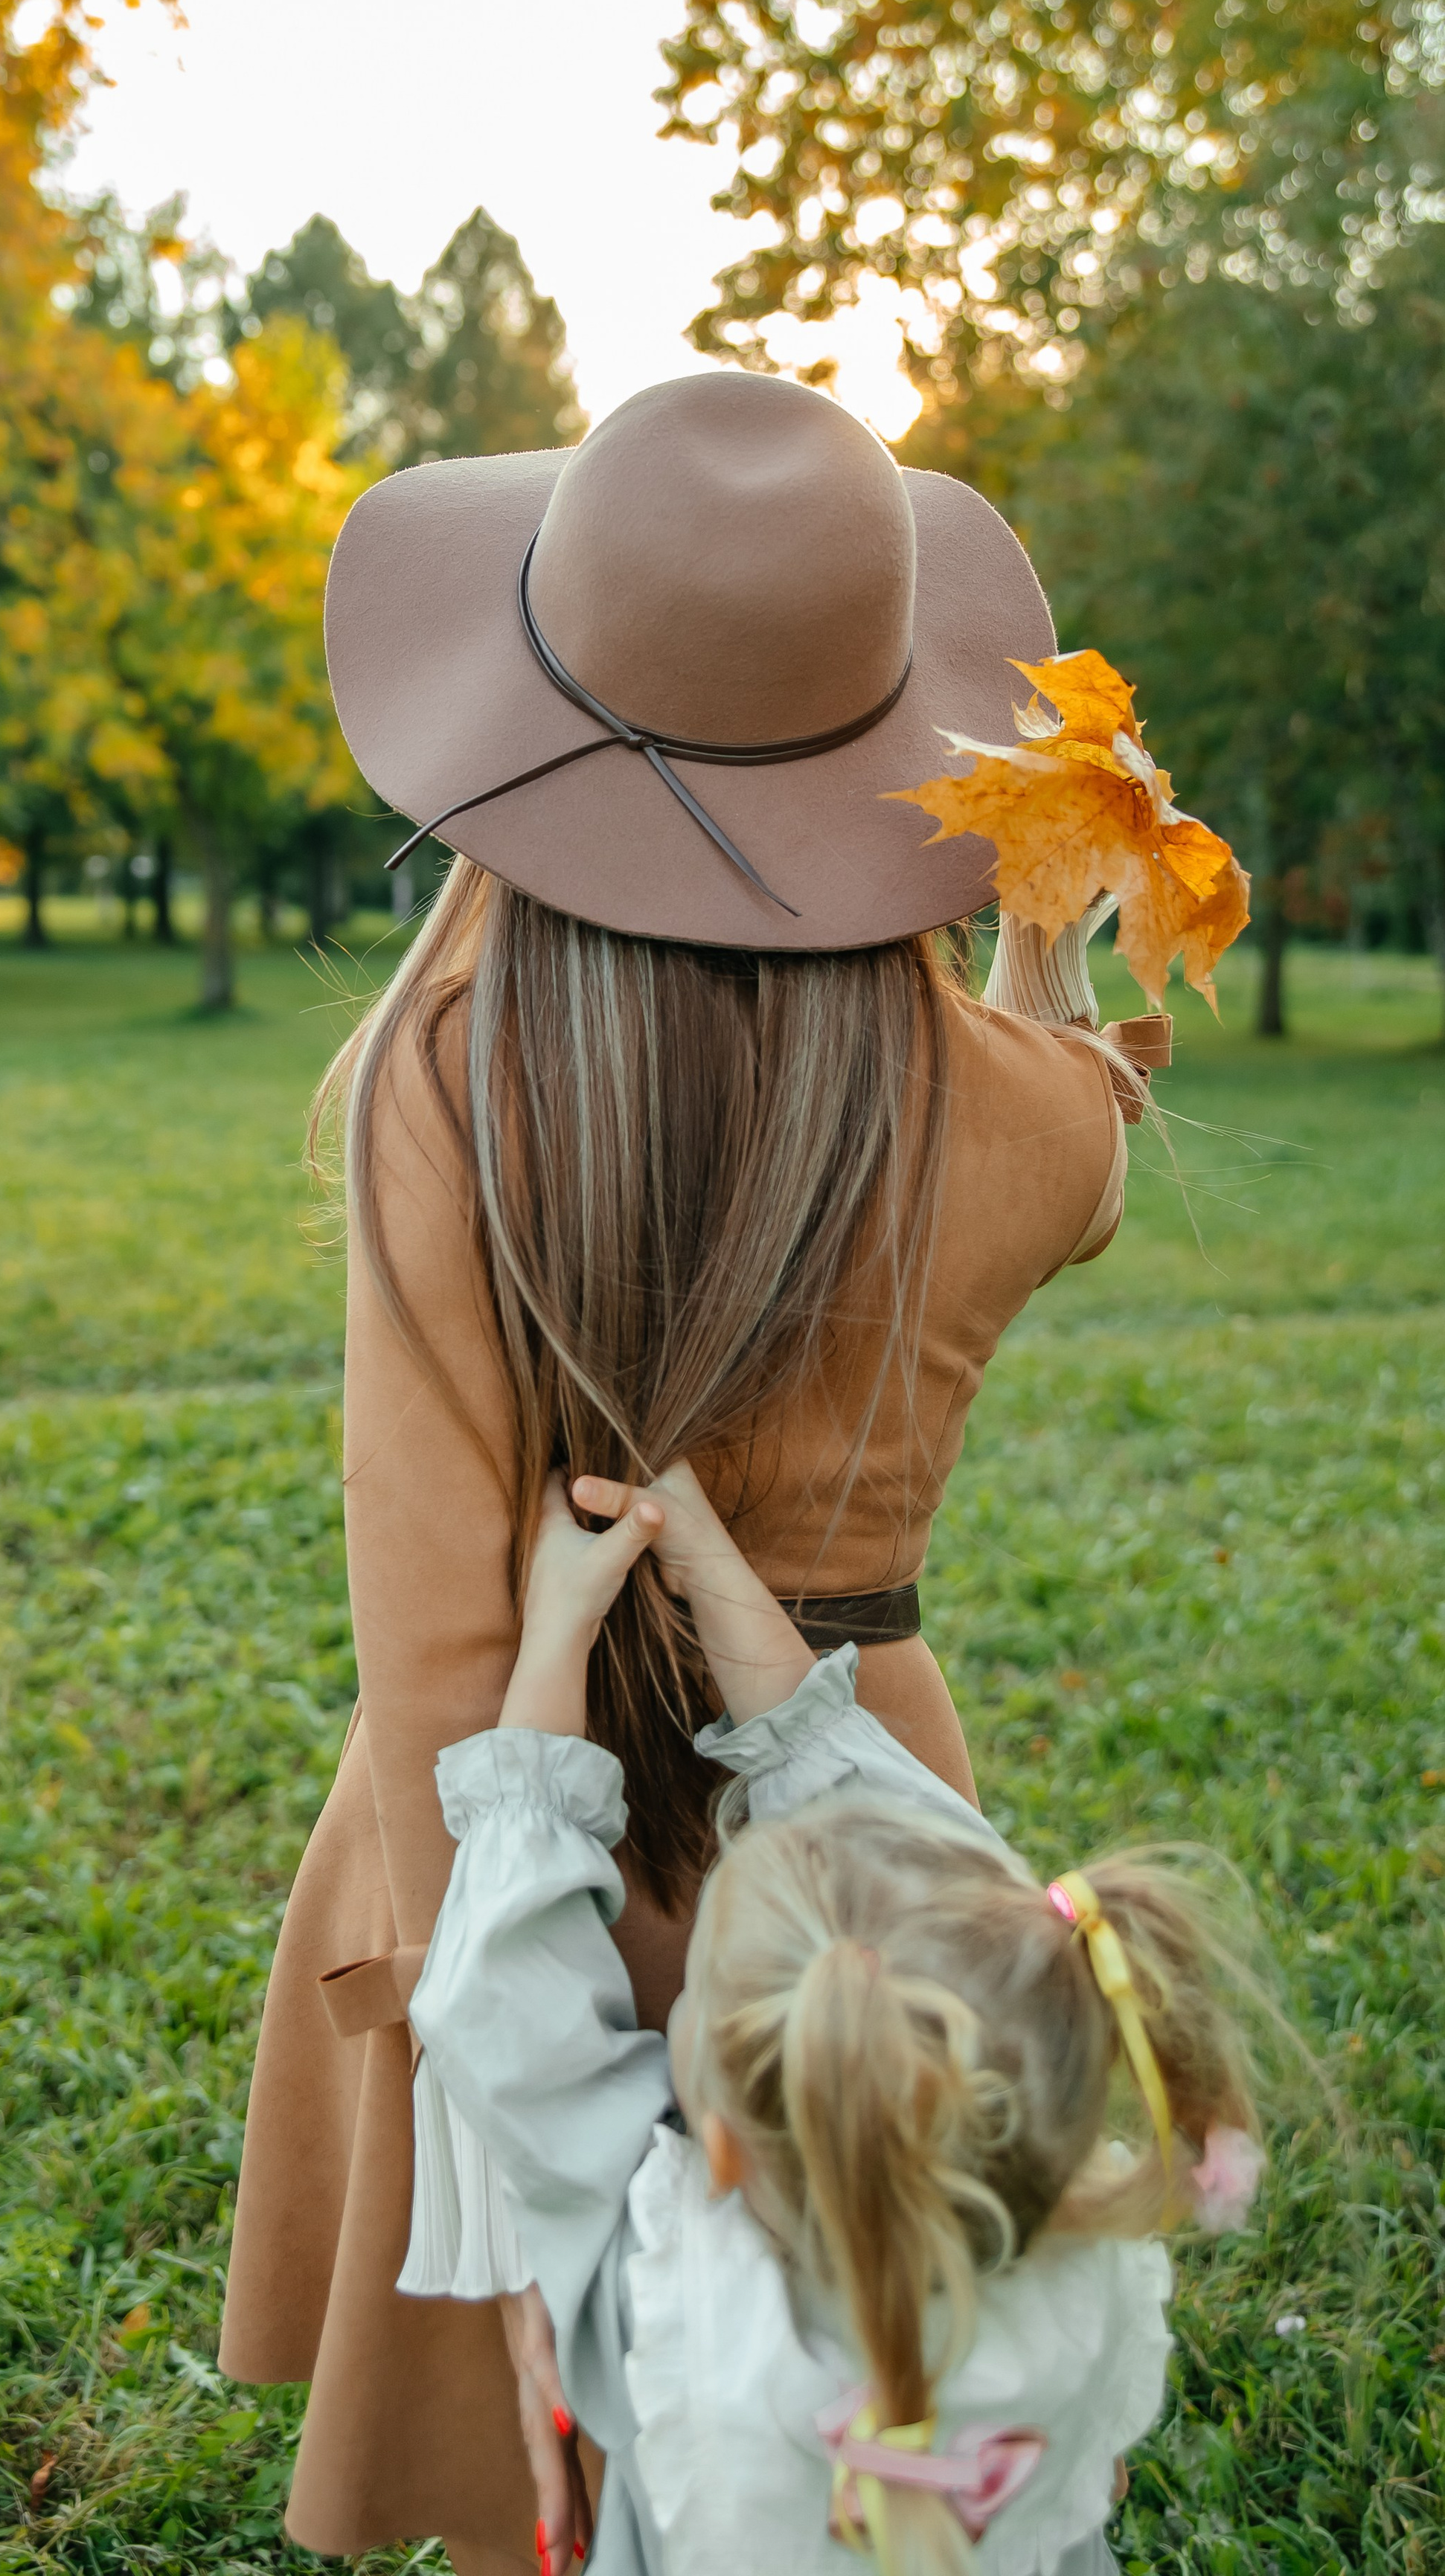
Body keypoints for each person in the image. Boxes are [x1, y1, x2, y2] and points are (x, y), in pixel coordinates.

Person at [219, 372, 1159, 2563]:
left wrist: (486, 1980)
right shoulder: (1025, 1114)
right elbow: (1089, 1140)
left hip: (507, 1794)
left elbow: (434, 1594)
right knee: (829, 2370)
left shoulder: (434, 1085)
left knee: (575, 2379)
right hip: (841, 1823)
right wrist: (1033, 956)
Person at [410, 1457, 1266, 2576]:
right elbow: (947, 1895)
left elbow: (514, 2010)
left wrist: (558, 1631)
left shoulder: (664, 2306)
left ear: (714, 2143)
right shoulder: (1078, 2256)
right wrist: (714, 1565)